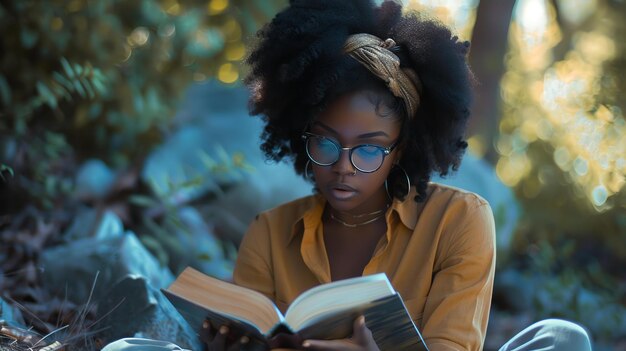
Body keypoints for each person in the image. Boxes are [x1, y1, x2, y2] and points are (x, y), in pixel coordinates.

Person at [103, 0, 592, 350]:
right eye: (326, 141)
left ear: (402, 150)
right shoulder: (270, 231)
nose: (342, 165)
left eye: (370, 150)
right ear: (301, 134)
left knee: (562, 339)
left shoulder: (460, 220)